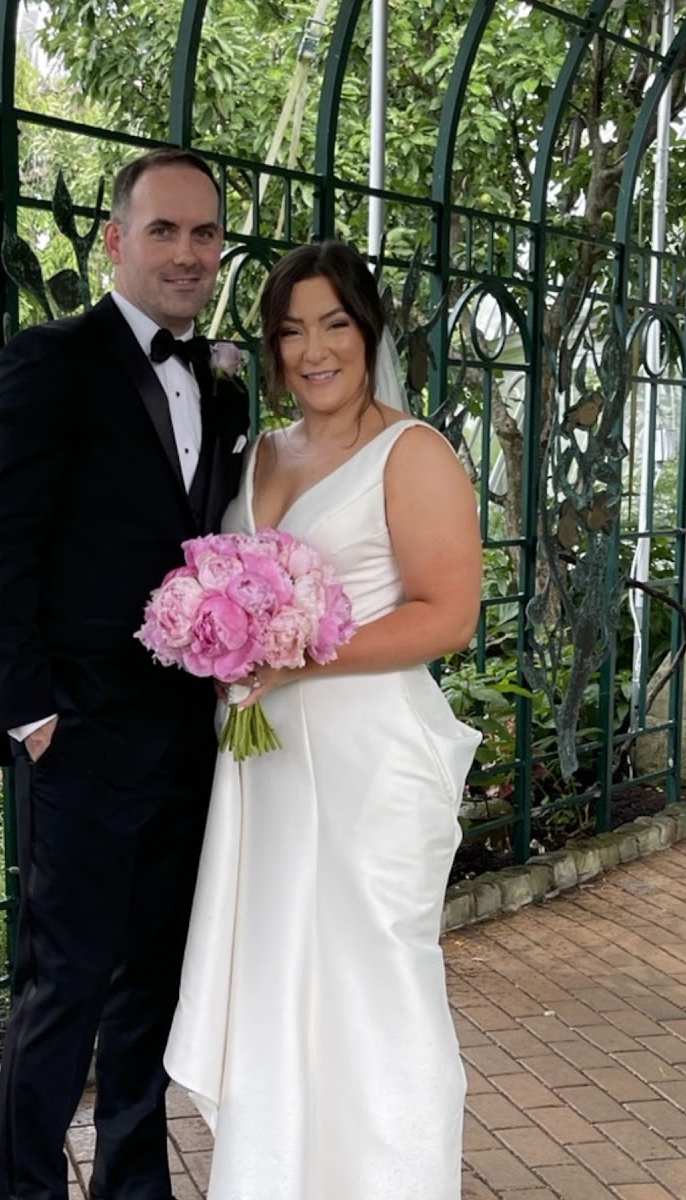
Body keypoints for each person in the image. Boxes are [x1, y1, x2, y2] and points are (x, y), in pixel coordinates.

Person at [0, 147, 250, 1200]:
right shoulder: (50, 361)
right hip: (78, 736)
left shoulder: (224, 380)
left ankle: (134, 1186)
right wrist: (30, 715)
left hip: (187, 741)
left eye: (204, 233)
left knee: (149, 990)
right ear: (117, 241)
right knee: (62, 990)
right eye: (163, 230)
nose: (186, 253)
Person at [163, 240, 484, 1199]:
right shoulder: (260, 452)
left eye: (334, 325)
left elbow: (448, 615)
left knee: (373, 985)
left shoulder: (412, 452)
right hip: (263, 768)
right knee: (277, 985)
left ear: (368, 331)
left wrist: (299, 653)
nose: (314, 350)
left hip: (368, 765)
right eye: (291, 331)